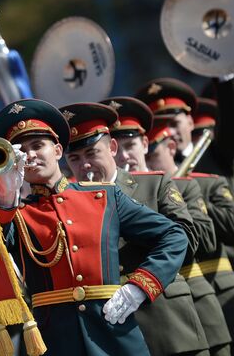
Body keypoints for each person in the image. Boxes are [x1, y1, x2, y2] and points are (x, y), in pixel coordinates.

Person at [0, 98, 188, 355]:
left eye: (37, 146)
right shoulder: (14, 212)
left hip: (115, 335)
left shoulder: (104, 196)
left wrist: (140, 287)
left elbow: (173, 235)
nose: (30, 155)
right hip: (58, 341)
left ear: (57, 151)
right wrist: (7, 194)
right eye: (21, 150)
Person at [106, 95, 234, 355]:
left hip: (192, 303)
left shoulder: (182, 186)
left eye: (130, 145)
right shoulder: (106, 195)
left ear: (144, 144)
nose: (124, 156)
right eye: (117, 148)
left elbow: (203, 241)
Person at [146, 76, 234, 356]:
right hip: (184, 297)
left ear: (190, 121)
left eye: (174, 124)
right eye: (161, 127)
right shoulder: (144, 178)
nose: (170, 133)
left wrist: (225, 75)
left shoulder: (212, 156)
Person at [63, 99, 209, 355]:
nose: (85, 165)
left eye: (92, 153)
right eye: (74, 158)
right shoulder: (68, 204)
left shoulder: (153, 184)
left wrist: (140, 284)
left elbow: (187, 241)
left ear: (112, 148)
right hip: (114, 334)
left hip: (167, 320)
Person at [143, 115, 234, 356]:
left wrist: (173, 205)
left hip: (200, 290)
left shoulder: (191, 186)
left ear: (170, 148)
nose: (148, 164)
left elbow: (206, 240)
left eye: (152, 156)